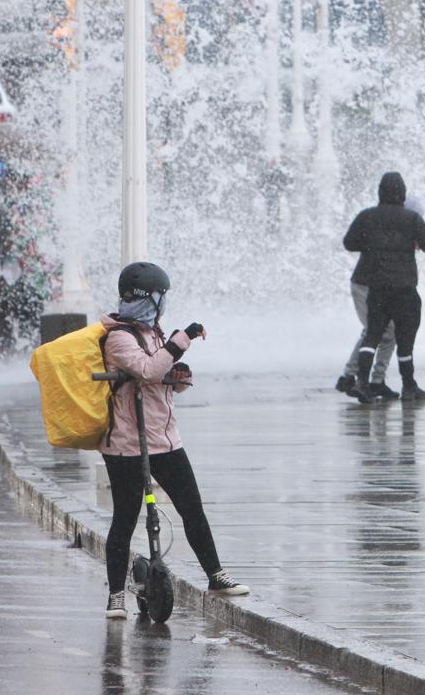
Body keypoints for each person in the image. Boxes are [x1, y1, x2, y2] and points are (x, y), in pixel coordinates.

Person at [99, 261, 249, 620]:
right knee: (125, 517)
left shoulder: (152, 332)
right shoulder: (119, 337)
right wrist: (182, 340)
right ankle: (116, 596)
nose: (163, 303)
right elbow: (149, 370)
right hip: (127, 445)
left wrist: (180, 377)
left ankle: (216, 575)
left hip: (165, 441)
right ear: (149, 298)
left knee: (191, 507)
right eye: (160, 297)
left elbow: (162, 375)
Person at [343, 172, 425, 404]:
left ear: (380, 192)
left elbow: (349, 243)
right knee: (404, 339)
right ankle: (408, 387)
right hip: (404, 288)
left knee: (373, 335)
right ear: (403, 194)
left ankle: (363, 384)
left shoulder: (367, 217)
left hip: (378, 288)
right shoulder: (411, 218)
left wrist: (372, 244)